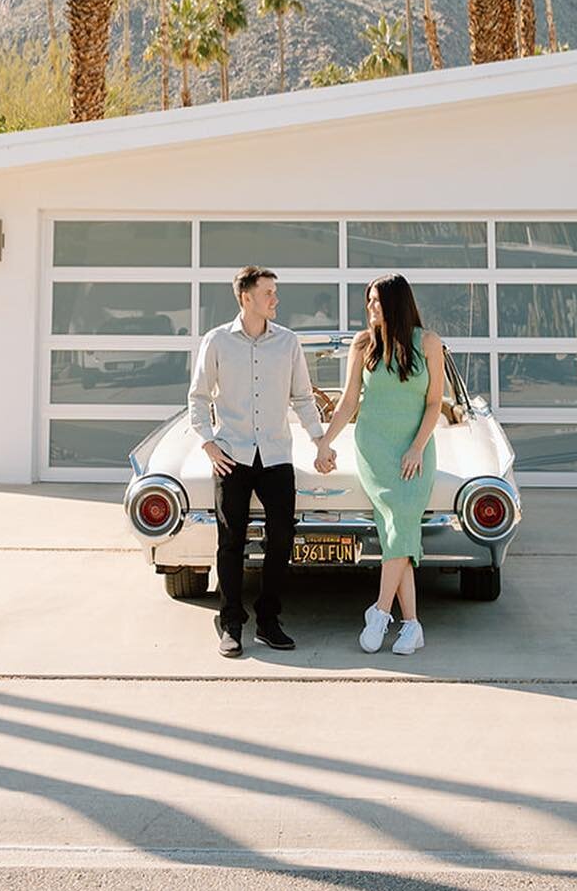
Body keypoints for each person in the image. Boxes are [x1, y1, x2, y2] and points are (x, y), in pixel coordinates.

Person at [188, 264, 327, 657]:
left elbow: (302, 397)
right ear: (245, 297)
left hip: (276, 454)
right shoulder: (216, 342)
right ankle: (231, 622)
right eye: (269, 293)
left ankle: (268, 619)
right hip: (231, 454)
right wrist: (208, 444)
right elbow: (198, 397)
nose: (275, 299)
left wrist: (319, 439)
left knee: (282, 537)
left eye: (275, 292)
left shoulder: (288, 343)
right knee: (230, 541)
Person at [316, 273, 444, 655]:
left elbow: (435, 402)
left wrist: (417, 448)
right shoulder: (363, 344)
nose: (370, 307)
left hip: (414, 449)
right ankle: (409, 626)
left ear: (397, 303)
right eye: (368, 300)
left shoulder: (429, 343)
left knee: (400, 520)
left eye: (376, 301)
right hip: (373, 447)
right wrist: (325, 441)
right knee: (397, 525)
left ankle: (381, 612)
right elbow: (349, 401)